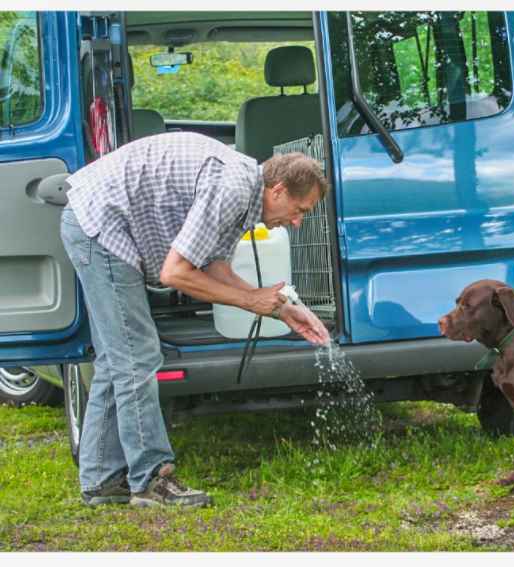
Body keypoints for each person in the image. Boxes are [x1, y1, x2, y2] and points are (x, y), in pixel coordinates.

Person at [60, 131, 330, 508]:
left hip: (100, 222)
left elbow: (211, 266)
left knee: (116, 358)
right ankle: (152, 478)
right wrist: (250, 300)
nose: (299, 222)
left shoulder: (244, 195)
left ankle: (101, 481)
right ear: (279, 190)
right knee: (138, 357)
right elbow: (175, 273)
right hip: (100, 225)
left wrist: (280, 308)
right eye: (301, 210)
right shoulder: (234, 188)